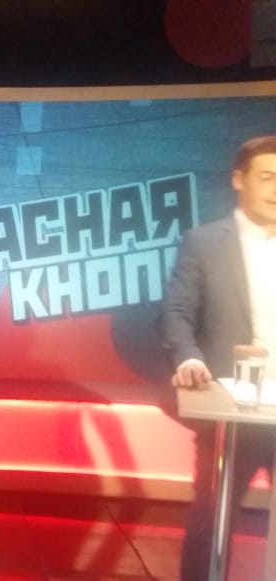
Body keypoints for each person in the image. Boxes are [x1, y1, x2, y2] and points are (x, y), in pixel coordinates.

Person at [160, 135, 276, 581]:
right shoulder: (204, 242)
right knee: (211, 522)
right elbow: (176, 312)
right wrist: (189, 358)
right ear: (238, 180)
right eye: (266, 177)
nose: (275, 188)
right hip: (230, 410)